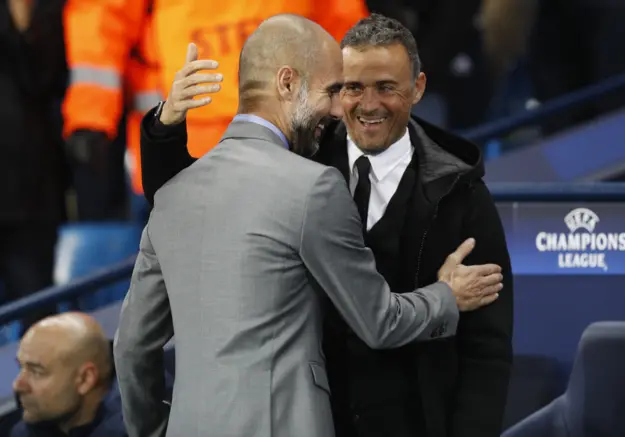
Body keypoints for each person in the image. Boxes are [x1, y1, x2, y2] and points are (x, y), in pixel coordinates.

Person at [114, 15, 503, 437]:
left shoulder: (175, 196)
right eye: (336, 90)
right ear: (286, 83)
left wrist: (154, 430)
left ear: (417, 87)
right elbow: (379, 321)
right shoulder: (313, 184)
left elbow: (132, 348)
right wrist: (447, 296)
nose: (341, 109)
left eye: (384, 87)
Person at [61, 0, 368, 218]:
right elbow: (101, 21)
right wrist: (91, 116)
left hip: (292, 136)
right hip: (191, 147)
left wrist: (356, 96)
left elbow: (337, 17)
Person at [0, 0, 68, 337]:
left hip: (28, 192)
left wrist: (22, 19)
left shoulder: (43, 9)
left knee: (37, 314)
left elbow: (47, 77)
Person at [11, 313, 126, 437]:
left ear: (85, 379)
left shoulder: (137, 428)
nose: (18, 385)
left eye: (37, 372)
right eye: (21, 367)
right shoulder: (27, 430)